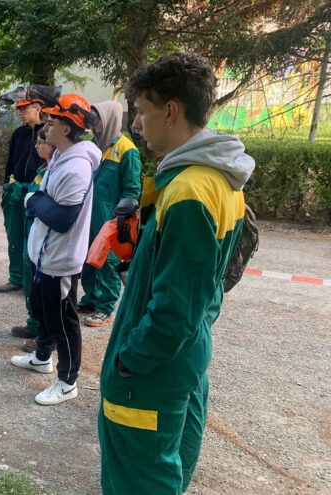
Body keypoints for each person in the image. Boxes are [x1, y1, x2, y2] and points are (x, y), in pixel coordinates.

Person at [98, 52, 254, 494]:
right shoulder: (220, 179)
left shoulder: (189, 190)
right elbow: (203, 287)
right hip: (186, 356)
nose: (137, 125)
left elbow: (174, 310)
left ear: (171, 110)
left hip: (153, 370)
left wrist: (131, 360)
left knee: (140, 480)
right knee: (170, 469)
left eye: (143, 112)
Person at [10, 94, 100, 405]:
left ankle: (67, 381)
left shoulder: (76, 167)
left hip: (60, 259)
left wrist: (33, 201)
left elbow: (62, 218)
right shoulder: (61, 156)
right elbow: (48, 201)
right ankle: (42, 357)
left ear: (66, 127)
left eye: (53, 120)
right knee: (45, 312)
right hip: (44, 255)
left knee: (64, 321)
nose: (46, 124)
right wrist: (39, 201)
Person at [78, 100, 142, 327]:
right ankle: (90, 298)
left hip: (110, 217)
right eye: (93, 122)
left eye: (98, 121)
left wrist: (121, 219)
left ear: (111, 120)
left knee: (107, 261)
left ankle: (106, 307)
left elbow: (132, 190)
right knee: (87, 259)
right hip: (87, 214)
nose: (95, 126)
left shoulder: (127, 150)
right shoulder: (93, 146)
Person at [0, 95, 46, 296]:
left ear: (37, 109)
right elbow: (10, 162)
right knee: (14, 235)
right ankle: (15, 278)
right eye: (18, 110)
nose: (20, 113)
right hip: (16, 192)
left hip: (36, 191)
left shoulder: (47, 133)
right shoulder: (19, 134)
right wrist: (6, 187)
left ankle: (31, 281)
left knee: (33, 238)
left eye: (24, 109)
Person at [16, 130, 54, 353]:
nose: (37, 147)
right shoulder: (43, 170)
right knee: (31, 279)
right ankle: (33, 324)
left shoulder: (57, 171)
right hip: (33, 230)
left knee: (43, 286)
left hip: (45, 235)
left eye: (41, 143)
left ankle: (44, 336)